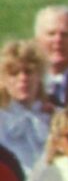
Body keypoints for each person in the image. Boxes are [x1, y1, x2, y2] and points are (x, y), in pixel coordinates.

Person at [0, 39, 51, 173]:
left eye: (28, 72)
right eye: (14, 73)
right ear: (3, 80)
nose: (23, 78)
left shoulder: (52, 117)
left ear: (39, 76)